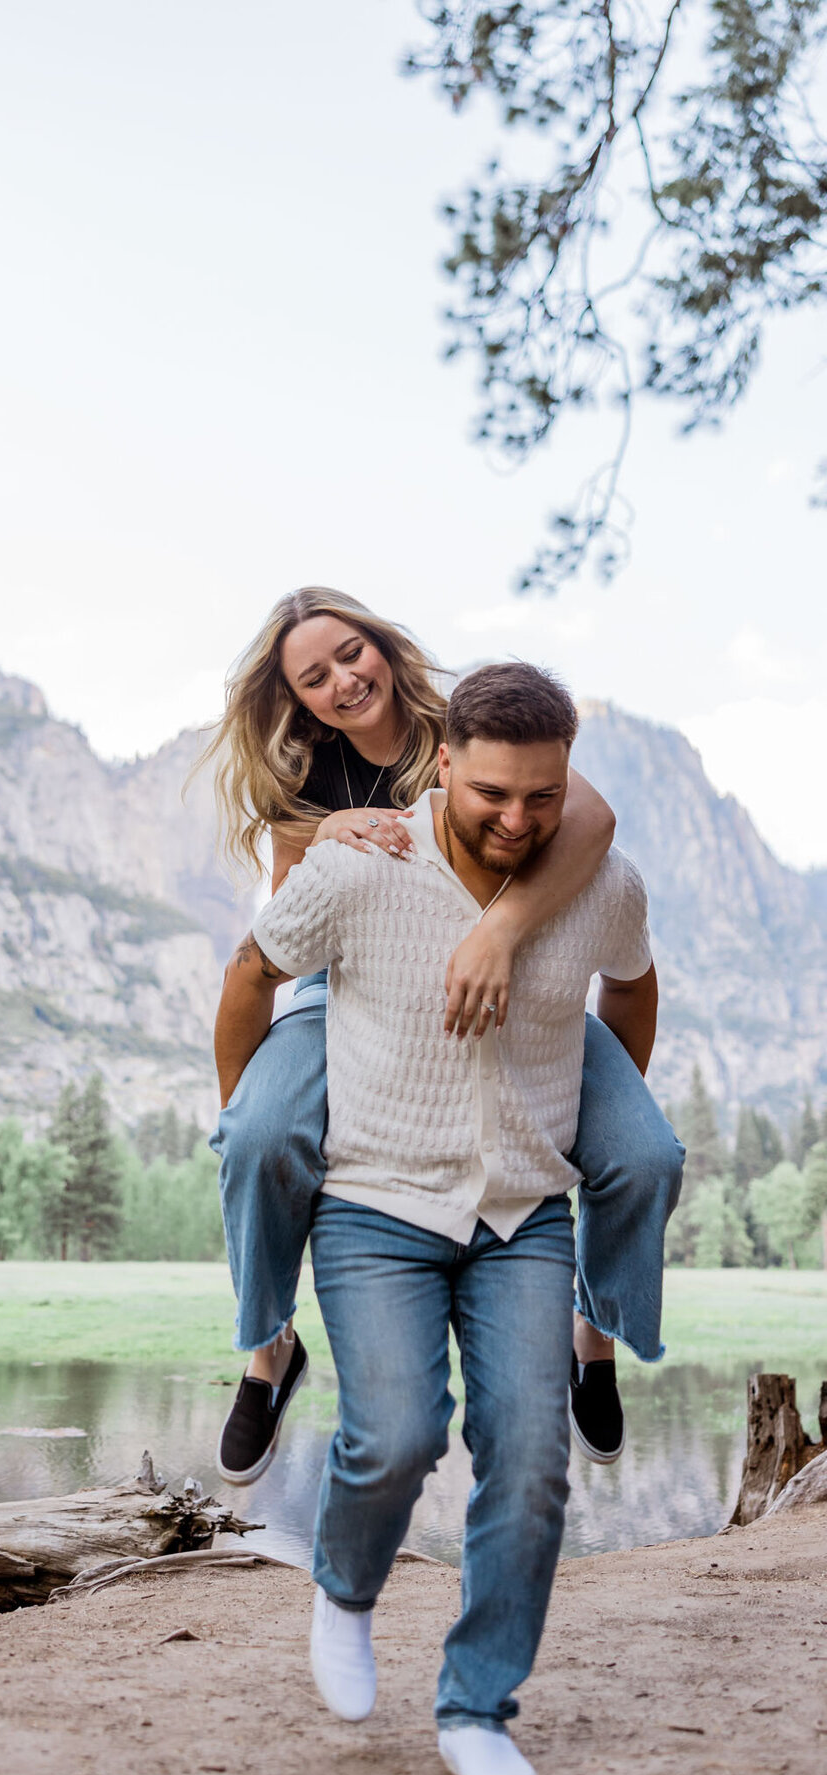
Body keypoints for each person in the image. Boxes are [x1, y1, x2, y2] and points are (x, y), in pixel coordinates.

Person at [214, 663, 662, 1775]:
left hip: (522, 1214)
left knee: (529, 1460)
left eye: (542, 797)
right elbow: (253, 968)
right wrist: (243, 1109)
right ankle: (347, 1588)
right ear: (445, 765)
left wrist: (589, 1115)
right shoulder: (359, 868)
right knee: (399, 1432)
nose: (518, 818)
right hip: (376, 1205)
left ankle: (476, 1708)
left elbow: (634, 983)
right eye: (493, 794)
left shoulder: (598, 884)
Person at [202, 589, 683, 1485]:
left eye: (352, 652)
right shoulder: (304, 777)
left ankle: (594, 1333)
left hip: (518, 984)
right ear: (298, 697)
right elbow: (282, 926)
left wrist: (501, 934)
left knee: (646, 1154)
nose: (345, 680)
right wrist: (316, 831)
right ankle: (268, 1349)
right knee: (259, 1136)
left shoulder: (465, 726)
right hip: (350, 991)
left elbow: (592, 822)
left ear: (380, 644)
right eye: (316, 676)